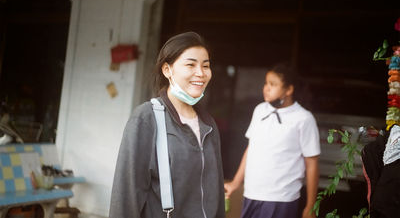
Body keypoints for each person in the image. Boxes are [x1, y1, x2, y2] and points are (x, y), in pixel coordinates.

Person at [109, 32, 225, 218]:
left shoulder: (208, 124)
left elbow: (217, 192)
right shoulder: (147, 118)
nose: (201, 73)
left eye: (206, 66)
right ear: (167, 70)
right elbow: (126, 197)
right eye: (190, 64)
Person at [224, 63, 320, 218]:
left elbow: (312, 163)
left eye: (273, 84)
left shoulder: (303, 119)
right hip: (252, 193)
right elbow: (251, 148)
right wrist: (235, 183)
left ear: (289, 90)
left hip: (281, 198)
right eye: (266, 83)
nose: (266, 88)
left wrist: (310, 206)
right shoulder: (260, 110)